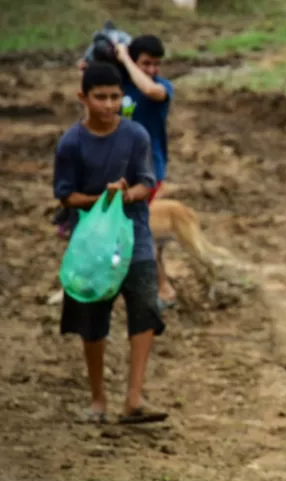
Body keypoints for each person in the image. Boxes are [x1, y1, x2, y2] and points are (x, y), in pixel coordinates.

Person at [53, 62, 168, 425]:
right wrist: (101, 198)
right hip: (90, 246)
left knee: (146, 308)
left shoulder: (136, 136)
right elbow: (66, 196)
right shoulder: (71, 142)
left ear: (123, 98)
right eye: (99, 97)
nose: (107, 104)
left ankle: (134, 398)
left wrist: (125, 194)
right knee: (92, 319)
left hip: (135, 237)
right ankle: (98, 397)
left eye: (114, 97)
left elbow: (146, 183)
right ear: (82, 98)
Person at [114, 34, 177, 307]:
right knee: (133, 229)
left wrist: (125, 58)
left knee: (135, 229)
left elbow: (151, 91)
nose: (152, 70)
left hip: (150, 172)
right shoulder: (120, 87)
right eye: (146, 63)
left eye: (156, 64)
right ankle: (159, 287)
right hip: (121, 173)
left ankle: (161, 289)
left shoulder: (162, 87)